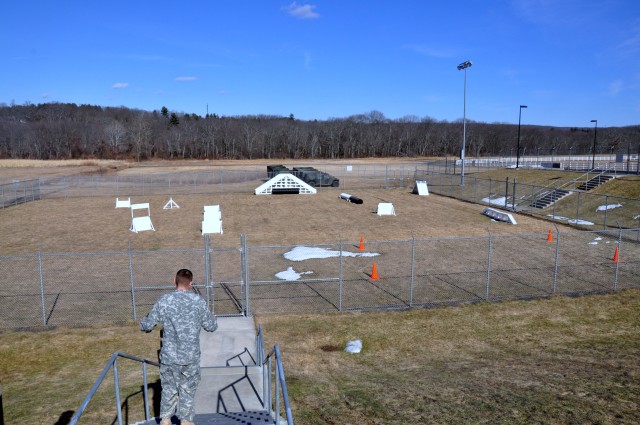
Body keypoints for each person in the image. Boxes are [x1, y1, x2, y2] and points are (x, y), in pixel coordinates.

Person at [140, 269, 218, 425]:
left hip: (169, 357)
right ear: (191, 283)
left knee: (169, 388)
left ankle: (166, 419)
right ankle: (185, 420)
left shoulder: (165, 300)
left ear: (174, 281)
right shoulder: (198, 301)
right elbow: (211, 326)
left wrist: (146, 322)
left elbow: (147, 325)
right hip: (190, 357)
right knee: (187, 390)